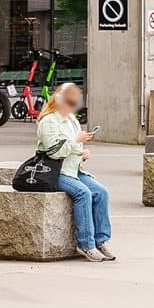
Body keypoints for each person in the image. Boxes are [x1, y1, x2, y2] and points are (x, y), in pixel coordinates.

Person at [36, 83, 113, 263]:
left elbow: (74, 148)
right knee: (83, 193)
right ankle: (86, 243)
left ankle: (102, 239)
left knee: (101, 192)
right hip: (55, 171)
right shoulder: (49, 121)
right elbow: (53, 151)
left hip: (74, 169)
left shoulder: (72, 120)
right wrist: (75, 140)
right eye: (69, 102)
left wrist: (83, 153)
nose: (72, 106)